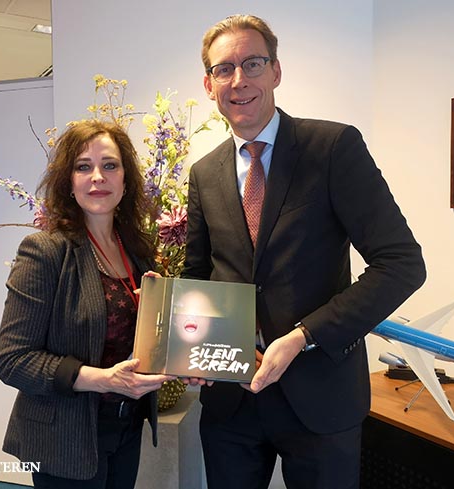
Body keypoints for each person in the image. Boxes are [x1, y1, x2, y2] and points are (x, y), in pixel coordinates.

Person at [182, 14, 427, 489]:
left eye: (253, 64)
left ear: (276, 71)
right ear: (209, 85)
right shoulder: (204, 173)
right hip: (231, 405)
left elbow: (402, 264)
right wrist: (187, 348)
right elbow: (198, 275)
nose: (239, 80)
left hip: (321, 395)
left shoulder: (333, 147)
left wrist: (304, 336)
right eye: (224, 69)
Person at [0, 120, 174, 488]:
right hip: (66, 437)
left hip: (126, 426)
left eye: (110, 165)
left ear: (126, 180)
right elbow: (12, 360)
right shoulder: (45, 251)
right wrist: (102, 380)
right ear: (68, 182)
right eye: (83, 166)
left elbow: (142, 339)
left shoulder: (136, 251)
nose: (98, 177)